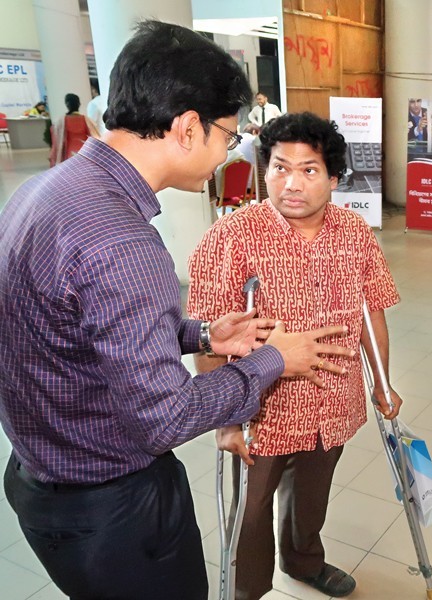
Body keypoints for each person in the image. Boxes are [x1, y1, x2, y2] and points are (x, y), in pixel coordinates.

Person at [0, 21, 353, 600]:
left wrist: (202, 336)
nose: (229, 152)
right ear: (189, 128)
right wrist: (272, 362)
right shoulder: (122, 241)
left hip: (45, 479)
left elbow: (81, 328)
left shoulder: (46, 191)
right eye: (228, 135)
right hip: (113, 505)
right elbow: (164, 417)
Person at [187, 111, 403, 600]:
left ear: (333, 178)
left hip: (333, 401)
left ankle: (305, 561)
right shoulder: (232, 236)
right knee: (252, 508)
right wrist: (224, 418)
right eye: (280, 168)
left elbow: (374, 314)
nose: (292, 183)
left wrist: (382, 382)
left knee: (313, 496)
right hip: (262, 411)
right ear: (265, 171)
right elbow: (208, 335)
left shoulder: (355, 234)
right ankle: (247, 590)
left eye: (309, 170)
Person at [49, 93, 99, 166]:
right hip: (86, 152)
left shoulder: (61, 121)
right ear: (79, 104)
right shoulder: (86, 120)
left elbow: (56, 138)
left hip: (69, 153)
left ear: (67, 105)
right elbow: (95, 137)